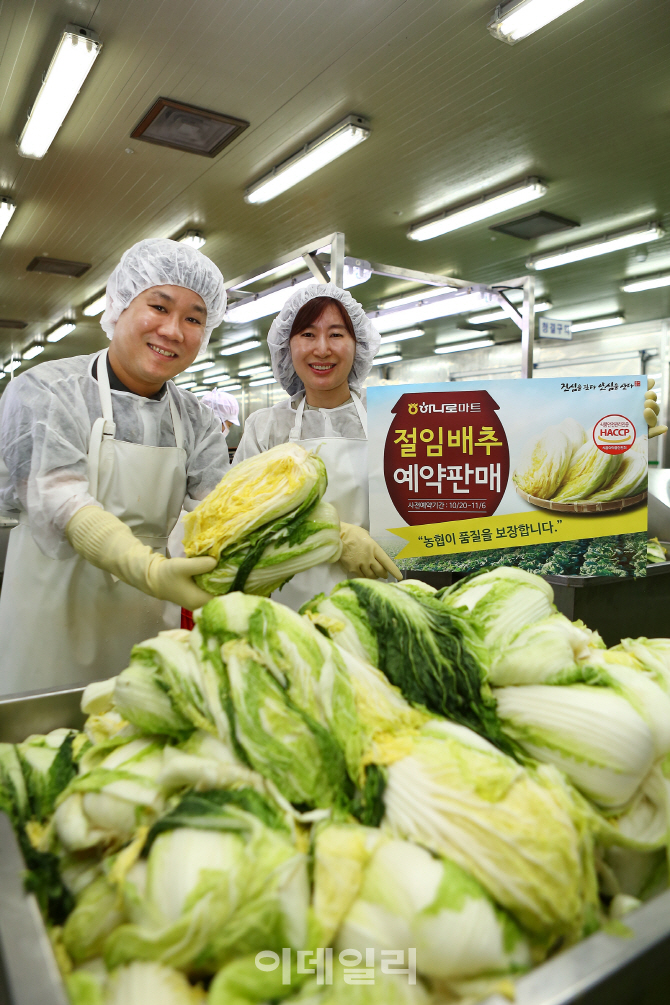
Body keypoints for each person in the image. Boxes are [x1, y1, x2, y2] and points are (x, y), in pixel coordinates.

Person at [0, 238, 229, 694]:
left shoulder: (196, 421)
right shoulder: (46, 391)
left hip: (145, 628)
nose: (173, 330)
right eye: (159, 307)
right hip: (50, 627)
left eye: (193, 318)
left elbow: (227, 510)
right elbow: (60, 500)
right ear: (120, 305)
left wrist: (329, 534)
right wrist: (147, 568)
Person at [233, 283, 401, 611]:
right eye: (308, 334)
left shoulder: (394, 418)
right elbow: (243, 519)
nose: (322, 349)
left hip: (377, 600)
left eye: (336, 335)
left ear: (357, 344)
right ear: (287, 345)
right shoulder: (266, 427)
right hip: (286, 605)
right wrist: (335, 534)